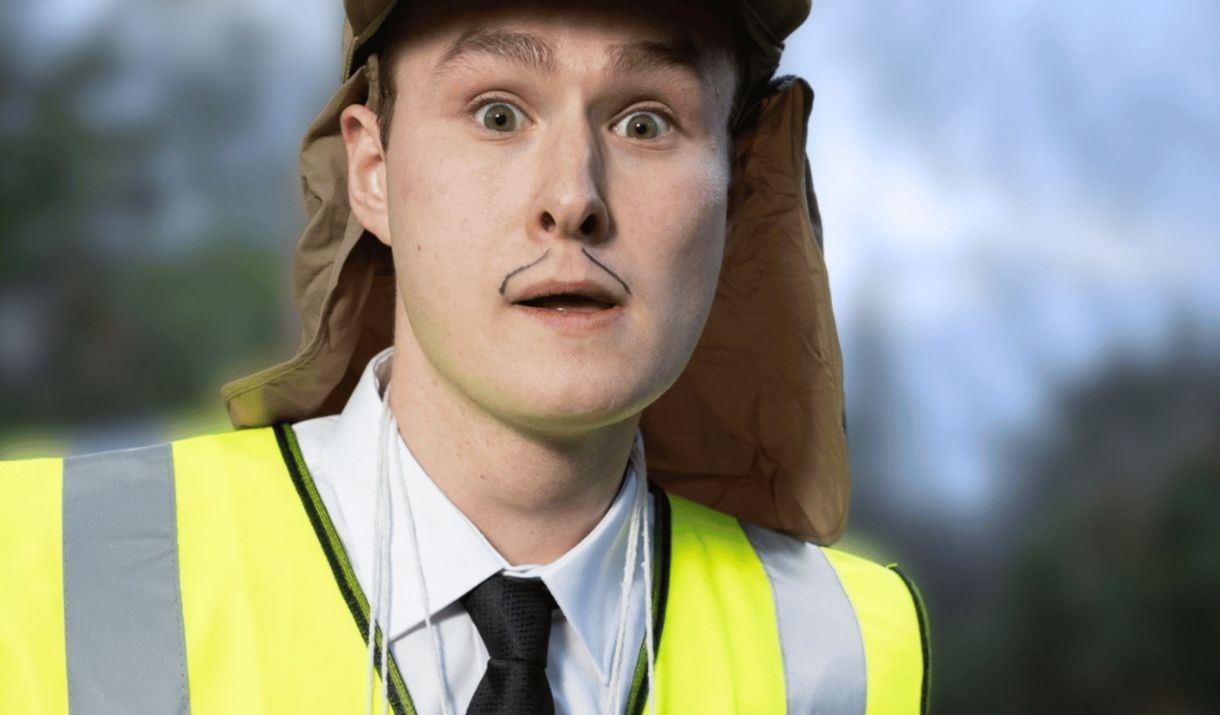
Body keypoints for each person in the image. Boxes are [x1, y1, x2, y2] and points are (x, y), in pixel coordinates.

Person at [0, 0, 929, 712]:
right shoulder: (37, 562)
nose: (573, 198)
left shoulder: (846, 648)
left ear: (741, 189)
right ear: (373, 173)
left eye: (645, 122)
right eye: (497, 113)